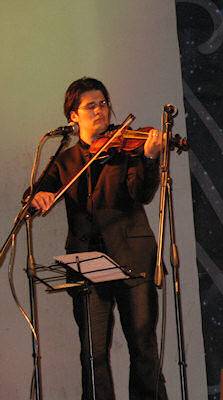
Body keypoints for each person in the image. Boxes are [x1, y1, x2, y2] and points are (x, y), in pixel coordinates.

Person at [30, 77, 168, 400]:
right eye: (90, 106)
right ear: (73, 117)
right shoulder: (65, 160)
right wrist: (37, 198)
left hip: (133, 257)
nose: (100, 110)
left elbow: (142, 193)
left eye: (103, 103)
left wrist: (148, 158)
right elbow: (37, 190)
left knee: (143, 347)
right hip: (87, 264)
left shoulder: (127, 146)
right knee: (93, 354)